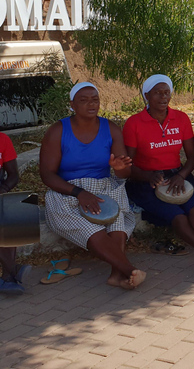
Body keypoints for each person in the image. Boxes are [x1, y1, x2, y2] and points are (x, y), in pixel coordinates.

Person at [39, 83, 146, 289]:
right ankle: (128, 270)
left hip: (103, 186)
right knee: (91, 229)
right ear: (72, 105)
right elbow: (47, 174)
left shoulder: (111, 129)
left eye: (95, 99)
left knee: (116, 221)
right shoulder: (58, 131)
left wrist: (119, 168)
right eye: (84, 100)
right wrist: (79, 193)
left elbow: (124, 173)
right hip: (67, 191)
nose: (91, 104)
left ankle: (117, 274)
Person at [123, 75, 194, 269]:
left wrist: (181, 175)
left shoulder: (181, 118)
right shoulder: (134, 123)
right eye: (157, 93)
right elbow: (127, 165)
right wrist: (148, 176)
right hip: (145, 181)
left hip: (178, 176)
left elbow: (192, 157)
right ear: (146, 95)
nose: (163, 97)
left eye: (166, 92)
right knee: (178, 216)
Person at [0, 131, 30, 294]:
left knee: (16, 210)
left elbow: (13, 175)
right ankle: (12, 272)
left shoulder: (3, 139)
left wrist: (4, 189)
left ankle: (8, 276)